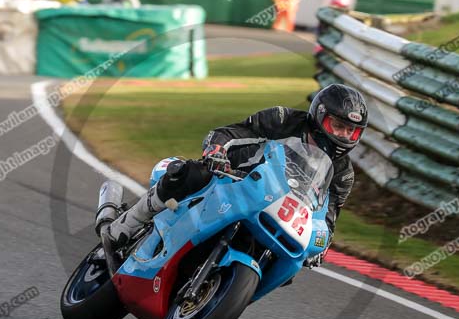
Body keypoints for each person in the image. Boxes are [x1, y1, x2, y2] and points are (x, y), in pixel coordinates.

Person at [103, 84, 368, 266]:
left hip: (279, 211)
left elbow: (329, 216)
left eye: (351, 131)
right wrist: (216, 151)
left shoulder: (342, 173)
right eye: (339, 126)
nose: (344, 135)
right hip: (233, 177)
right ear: (320, 116)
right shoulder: (283, 119)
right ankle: (124, 226)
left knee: (291, 259)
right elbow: (231, 132)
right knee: (191, 173)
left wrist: (320, 246)